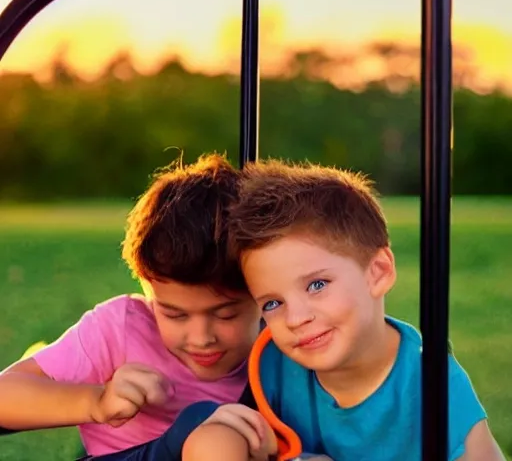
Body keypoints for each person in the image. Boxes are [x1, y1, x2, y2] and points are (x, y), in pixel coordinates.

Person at [182, 159, 505, 461]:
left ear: (377, 271)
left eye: (317, 285)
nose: (296, 319)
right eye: (273, 303)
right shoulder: (271, 363)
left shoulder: (433, 382)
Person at [0, 154, 264, 460]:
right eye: (173, 313)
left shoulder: (280, 347)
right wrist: (96, 401)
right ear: (148, 288)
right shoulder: (120, 329)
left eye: (226, 314)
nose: (201, 337)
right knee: (197, 422)